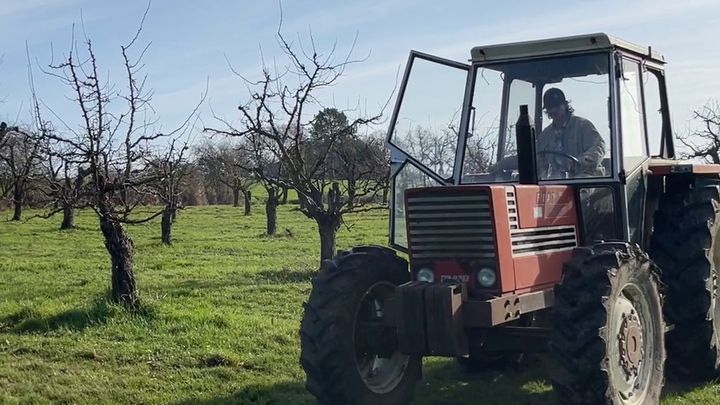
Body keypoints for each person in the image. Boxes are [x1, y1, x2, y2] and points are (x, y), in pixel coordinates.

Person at [536, 88, 606, 179]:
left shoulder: (583, 126)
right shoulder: (545, 136)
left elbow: (598, 147)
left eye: (557, 106)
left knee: (581, 188)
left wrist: (580, 162)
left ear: (565, 105)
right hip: (557, 180)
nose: (553, 110)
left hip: (585, 176)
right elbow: (538, 159)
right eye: (550, 107)